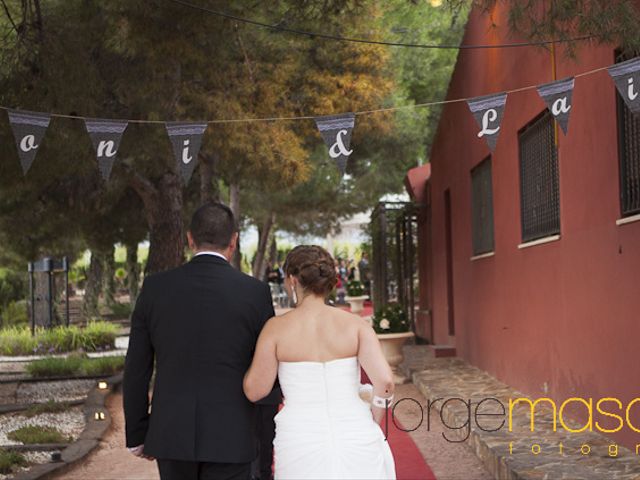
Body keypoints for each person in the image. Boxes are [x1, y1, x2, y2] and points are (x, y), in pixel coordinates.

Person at [123, 202, 280, 480]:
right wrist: (264, 444)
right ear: (233, 241)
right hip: (233, 433)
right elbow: (266, 374)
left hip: (171, 432)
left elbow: (136, 367)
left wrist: (137, 432)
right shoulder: (255, 293)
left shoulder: (155, 288)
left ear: (190, 239)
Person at [243, 245, 396, 479]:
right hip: (354, 428)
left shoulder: (276, 329)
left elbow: (255, 391)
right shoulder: (355, 325)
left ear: (293, 280)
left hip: (300, 436)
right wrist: (373, 418)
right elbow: (385, 381)